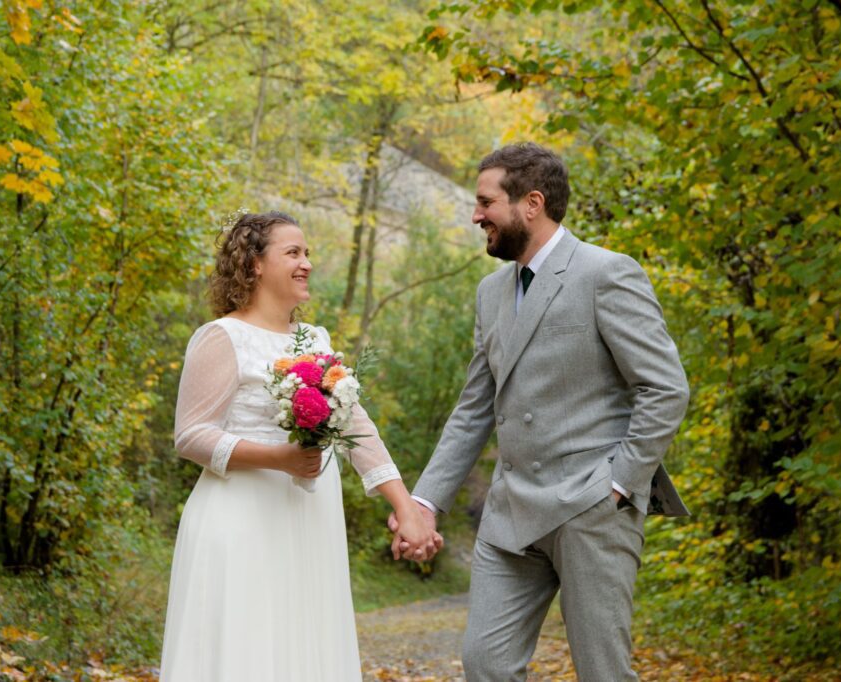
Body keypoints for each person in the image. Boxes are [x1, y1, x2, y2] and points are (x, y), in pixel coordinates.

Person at [390, 143, 691, 681]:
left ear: (532, 203)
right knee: (486, 664)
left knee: (604, 673)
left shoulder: (607, 273)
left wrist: (621, 483)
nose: (476, 215)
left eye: (486, 202)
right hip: (509, 514)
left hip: (590, 507)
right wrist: (425, 500)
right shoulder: (490, 293)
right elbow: (474, 409)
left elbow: (665, 388)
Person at [160, 211, 440, 681]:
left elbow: (357, 426)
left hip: (309, 524)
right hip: (241, 523)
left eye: (307, 253)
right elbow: (191, 435)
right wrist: (280, 459)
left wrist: (405, 506)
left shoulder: (314, 340)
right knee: (247, 652)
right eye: (293, 252)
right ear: (254, 264)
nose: (306, 262)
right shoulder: (221, 337)